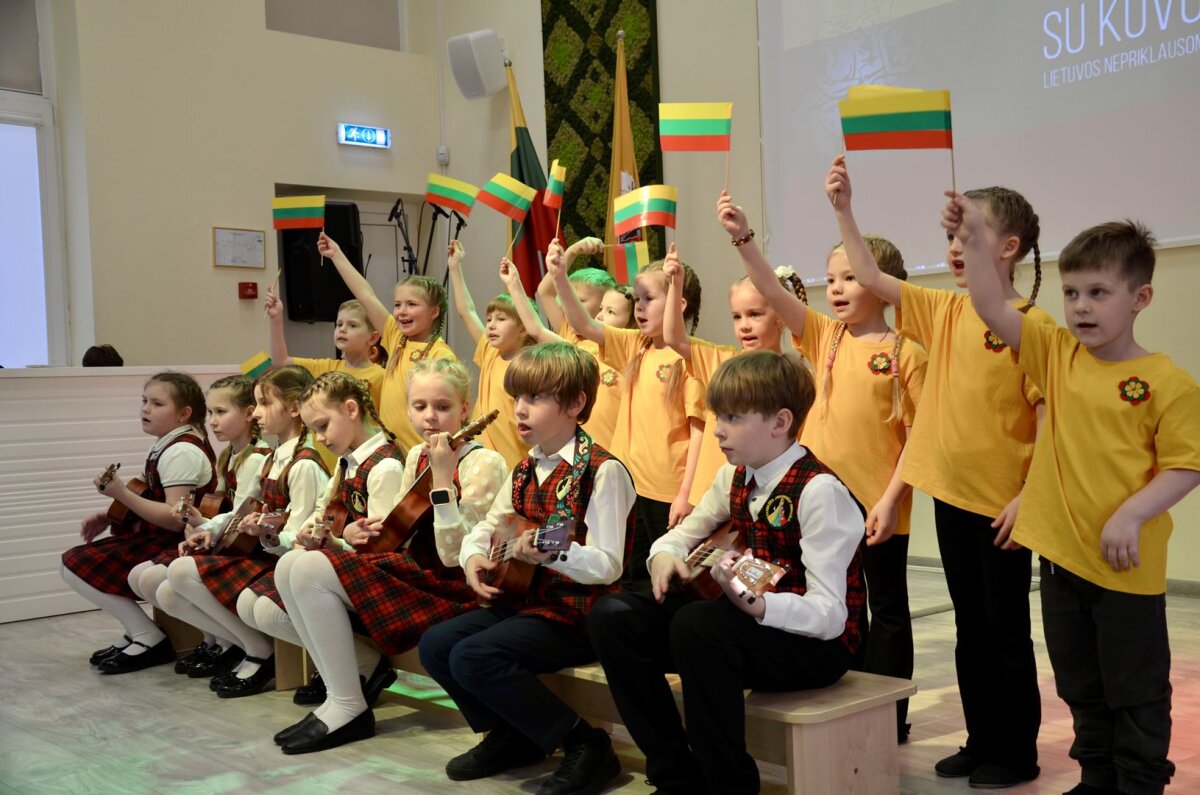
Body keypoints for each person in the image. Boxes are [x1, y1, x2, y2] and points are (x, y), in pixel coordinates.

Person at [950, 200, 1200, 795]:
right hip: (1063, 565)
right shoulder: (1055, 354)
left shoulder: (1168, 383)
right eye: (1071, 293)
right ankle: (1096, 777)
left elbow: (1186, 465)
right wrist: (973, 239)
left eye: (1098, 293)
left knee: (1135, 689)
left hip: (1125, 572)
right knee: (1080, 684)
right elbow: (989, 304)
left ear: (1140, 298)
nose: (1081, 306)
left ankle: (1138, 783)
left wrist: (1132, 513)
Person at [829, 153, 1051, 786]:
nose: (955, 247)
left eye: (969, 234)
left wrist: (1028, 499)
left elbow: (1048, 420)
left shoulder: (1030, 327)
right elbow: (869, 272)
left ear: (1008, 248)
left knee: (1005, 630)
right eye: (951, 235)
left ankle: (1016, 752)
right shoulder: (946, 311)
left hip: (1003, 509)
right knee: (969, 627)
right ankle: (982, 741)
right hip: (952, 500)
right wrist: (844, 210)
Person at [588, 351, 866, 794]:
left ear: (780, 422)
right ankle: (676, 776)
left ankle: (730, 786)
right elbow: (680, 536)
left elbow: (831, 616)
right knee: (614, 616)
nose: (717, 429)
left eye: (733, 417)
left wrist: (760, 607)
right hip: (741, 628)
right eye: (719, 415)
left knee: (698, 623)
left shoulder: (820, 492)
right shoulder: (733, 476)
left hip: (815, 645)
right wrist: (663, 555)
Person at [719, 190, 928, 740]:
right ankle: (841, 705)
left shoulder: (906, 351)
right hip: (817, 504)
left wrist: (889, 501)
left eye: (850, 277)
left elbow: (919, 437)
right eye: (831, 278)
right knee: (835, 607)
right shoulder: (823, 336)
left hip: (878, 507)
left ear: (881, 283)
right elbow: (770, 289)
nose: (835, 288)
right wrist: (743, 238)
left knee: (887, 610)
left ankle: (888, 719)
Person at [417, 342, 635, 795]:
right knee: (436, 644)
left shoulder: (602, 471)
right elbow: (487, 528)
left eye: (535, 398)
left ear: (575, 404)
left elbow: (609, 565)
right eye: (517, 397)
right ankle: (513, 735)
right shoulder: (524, 468)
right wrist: (473, 557)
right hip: (529, 603)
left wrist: (555, 554)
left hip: (577, 612)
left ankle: (586, 744)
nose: (520, 408)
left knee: (474, 655)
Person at [272, 359, 508, 754]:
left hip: (453, 589)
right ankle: (340, 696)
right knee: (291, 563)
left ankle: (349, 705)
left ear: (465, 410)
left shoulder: (485, 462)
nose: (430, 417)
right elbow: (397, 536)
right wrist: (342, 540)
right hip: (414, 574)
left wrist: (443, 479)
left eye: (443, 406)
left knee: (309, 568)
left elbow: (455, 556)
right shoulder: (415, 455)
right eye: (419, 406)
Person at [160, 366, 328, 696]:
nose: (258, 413)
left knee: (183, 573)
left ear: (294, 408)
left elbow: (299, 538)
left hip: (282, 563)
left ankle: (259, 650)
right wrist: (209, 528)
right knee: (176, 574)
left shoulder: (304, 464)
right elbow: (241, 510)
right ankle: (245, 647)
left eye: (265, 403)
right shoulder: (273, 459)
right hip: (269, 556)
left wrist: (267, 533)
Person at [554, 240, 706, 591]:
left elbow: (699, 431)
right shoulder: (636, 345)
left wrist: (687, 493)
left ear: (679, 303)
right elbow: (583, 324)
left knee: (663, 583)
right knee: (627, 577)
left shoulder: (691, 359)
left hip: (666, 492)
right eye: (637, 299)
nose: (639, 307)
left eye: (649, 299)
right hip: (628, 486)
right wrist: (560, 275)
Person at [61, 372, 216, 674]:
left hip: (174, 542)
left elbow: (174, 519)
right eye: (144, 401)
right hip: (157, 536)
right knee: (75, 563)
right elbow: (146, 494)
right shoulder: (166, 445)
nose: (146, 409)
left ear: (184, 413)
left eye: (157, 404)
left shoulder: (181, 451)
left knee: (75, 564)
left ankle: (148, 637)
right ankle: (137, 632)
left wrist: (120, 493)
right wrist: (108, 516)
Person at [317, 232, 456, 451]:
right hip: (391, 451)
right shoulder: (395, 336)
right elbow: (366, 295)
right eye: (398, 304)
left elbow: (447, 409)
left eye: (412, 304)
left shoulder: (441, 354)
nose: (402, 311)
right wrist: (337, 255)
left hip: (422, 452)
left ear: (434, 312)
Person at [500, 252, 629, 448]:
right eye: (601, 309)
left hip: (615, 451)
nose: (600, 316)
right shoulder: (576, 349)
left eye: (610, 311)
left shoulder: (629, 350)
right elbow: (536, 329)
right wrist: (514, 284)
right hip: (579, 452)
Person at [446, 240, 535, 467]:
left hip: (515, 464)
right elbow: (466, 311)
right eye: (489, 320)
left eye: (501, 319)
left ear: (524, 328)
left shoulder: (531, 367)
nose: (491, 325)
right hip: (481, 463)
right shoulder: (490, 352)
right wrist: (455, 267)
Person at [265, 290, 385, 407]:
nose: (342, 329)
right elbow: (281, 362)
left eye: (353, 325)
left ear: (373, 338)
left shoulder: (381, 377)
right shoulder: (327, 367)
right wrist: (276, 318)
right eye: (339, 324)